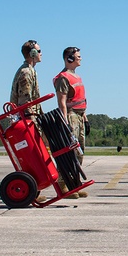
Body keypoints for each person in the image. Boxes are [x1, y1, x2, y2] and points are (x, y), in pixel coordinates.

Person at [11, 39, 46, 203]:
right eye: (39, 51)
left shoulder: (31, 70)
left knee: (36, 155)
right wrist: (31, 121)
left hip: (29, 117)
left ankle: (35, 190)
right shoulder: (26, 72)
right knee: (31, 156)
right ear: (32, 54)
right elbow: (25, 101)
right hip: (26, 119)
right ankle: (33, 190)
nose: (41, 54)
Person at [53, 46, 88, 198]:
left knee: (79, 152)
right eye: (77, 56)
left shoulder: (77, 77)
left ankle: (75, 184)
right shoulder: (63, 78)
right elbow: (61, 102)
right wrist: (65, 121)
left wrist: (85, 118)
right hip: (71, 116)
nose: (80, 58)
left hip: (80, 116)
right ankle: (63, 184)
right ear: (69, 59)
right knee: (70, 151)